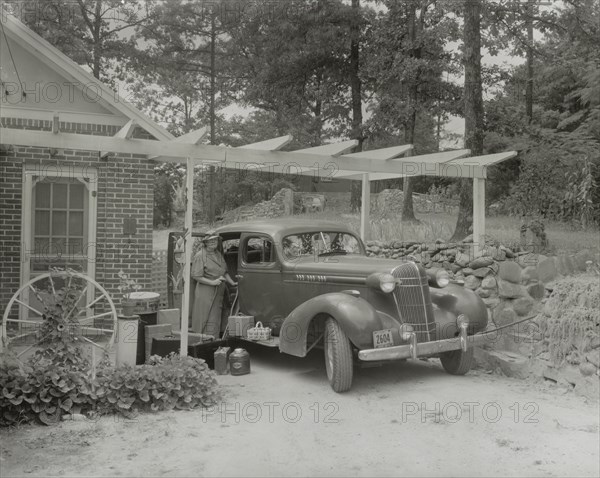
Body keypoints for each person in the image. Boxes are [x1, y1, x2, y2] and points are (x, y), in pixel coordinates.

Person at [191, 233, 236, 337]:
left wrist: (232, 282)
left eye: (215, 240)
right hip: (206, 290)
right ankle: (201, 340)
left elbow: (224, 272)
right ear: (205, 243)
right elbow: (196, 276)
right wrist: (212, 282)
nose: (213, 242)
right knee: (205, 316)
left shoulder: (218, 254)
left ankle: (214, 340)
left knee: (215, 316)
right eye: (210, 241)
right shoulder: (200, 256)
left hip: (219, 289)